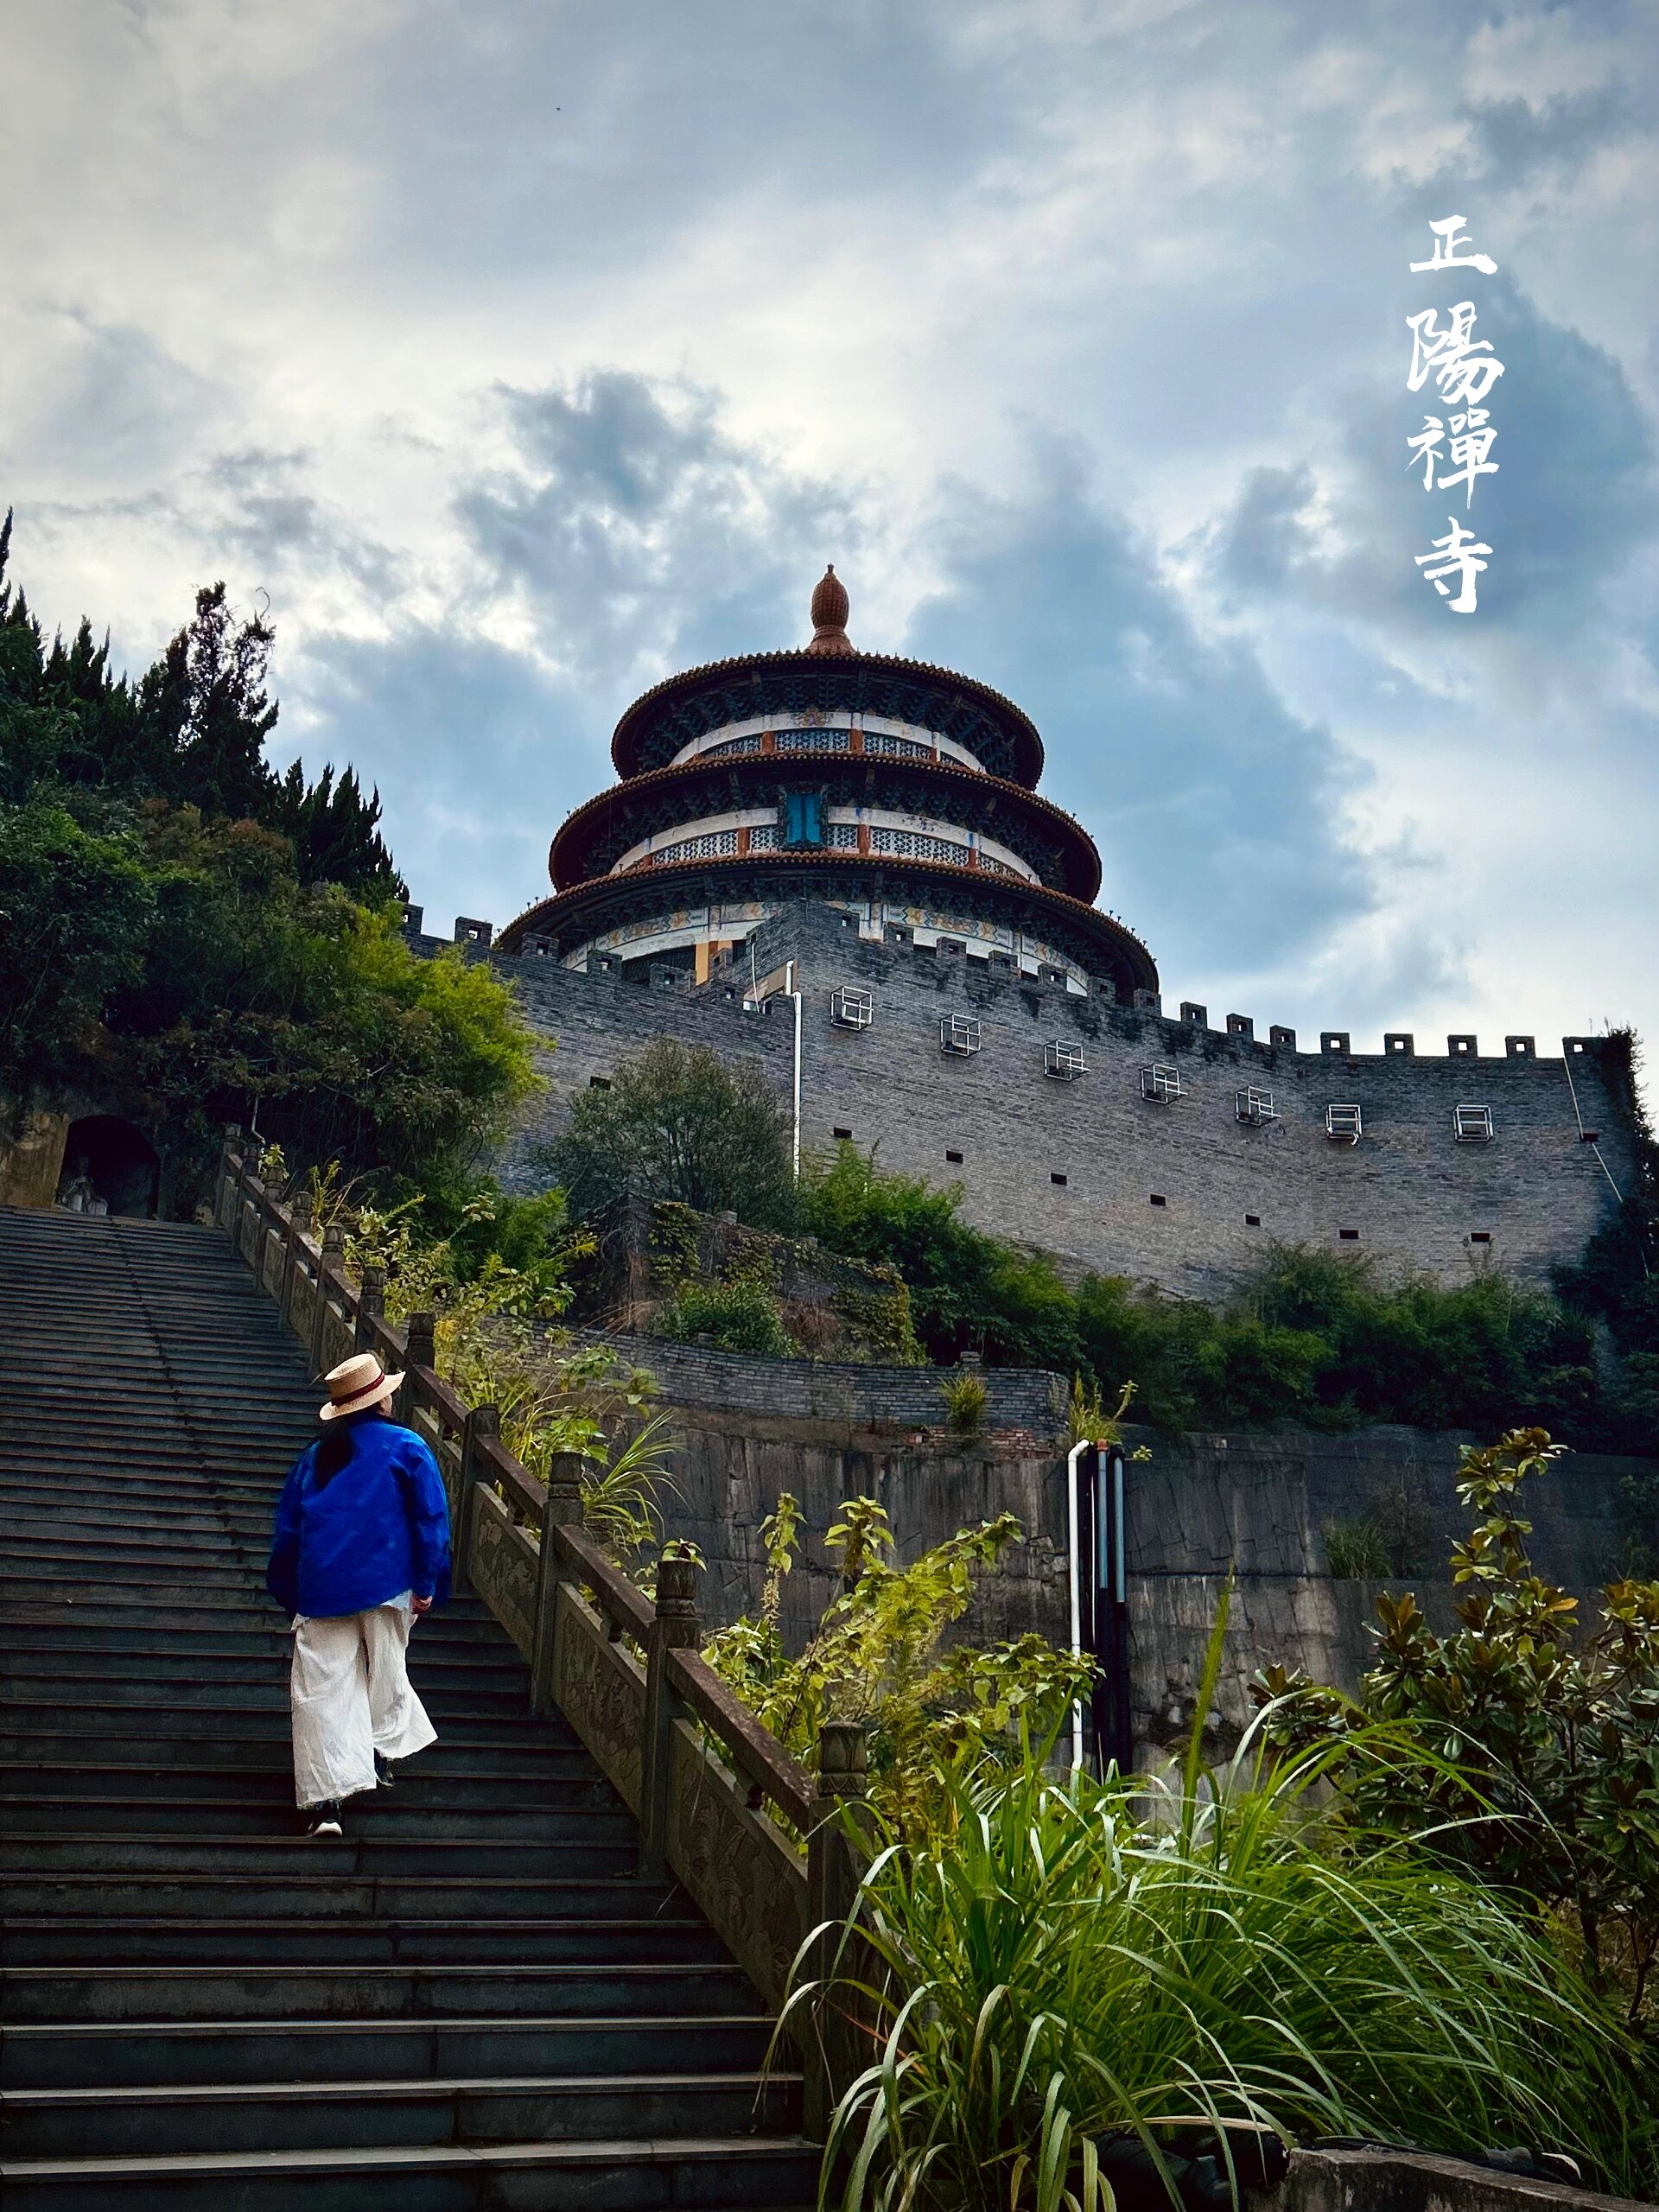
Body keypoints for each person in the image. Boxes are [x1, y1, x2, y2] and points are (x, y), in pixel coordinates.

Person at [266, 1351, 452, 1836]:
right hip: (388, 1585)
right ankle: (379, 1751)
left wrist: (290, 1591)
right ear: (382, 1401)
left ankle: (329, 1803)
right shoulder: (407, 1446)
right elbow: (431, 1520)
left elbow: (288, 1530)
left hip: (322, 1589)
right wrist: (427, 1585)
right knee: (383, 1674)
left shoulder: (316, 1458)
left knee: (322, 1692)